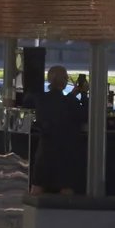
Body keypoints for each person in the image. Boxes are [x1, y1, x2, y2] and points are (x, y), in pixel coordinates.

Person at [28, 63, 88, 194]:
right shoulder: (70, 102)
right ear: (66, 81)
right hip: (65, 153)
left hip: (45, 151)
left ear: (49, 80)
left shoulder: (40, 99)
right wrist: (83, 94)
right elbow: (85, 114)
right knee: (65, 189)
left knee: (37, 187)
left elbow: (56, 103)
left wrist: (72, 95)